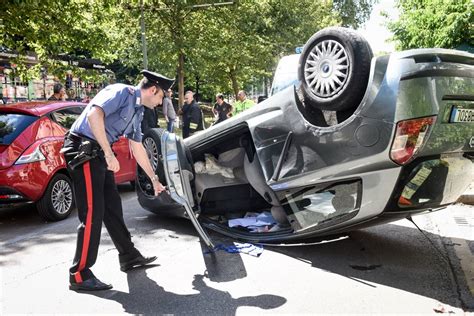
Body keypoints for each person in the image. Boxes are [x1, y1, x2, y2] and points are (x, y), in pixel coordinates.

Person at [62, 70, 173, 291]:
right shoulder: (121, 92)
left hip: (98, 153)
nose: (161, 103)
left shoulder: (138, 110)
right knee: (93, 213)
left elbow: (137, 146)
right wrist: (108, 153)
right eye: (162, 97)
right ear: (153, 89)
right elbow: (95, 115)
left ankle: (129, 256)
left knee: (113, 208)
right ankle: (79, 274)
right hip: (83, 150)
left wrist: (154, 178)